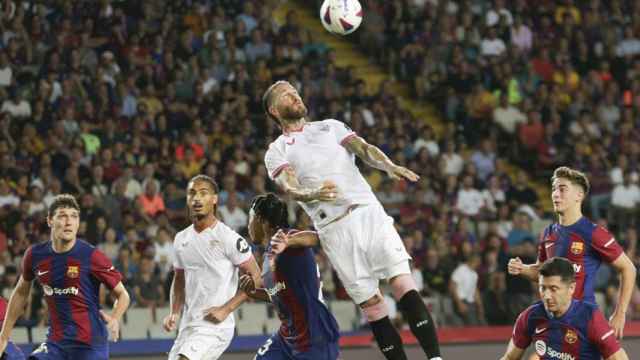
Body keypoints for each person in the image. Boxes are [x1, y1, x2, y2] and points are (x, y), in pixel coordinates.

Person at [262, 80, 441, 360]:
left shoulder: (330, 126)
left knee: (402, 283)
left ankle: (436, 358)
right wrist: (313, 193)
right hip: (334, 230)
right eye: (287, 95)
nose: (295, 96)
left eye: (296, 91)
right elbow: (289, 185)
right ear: (274, 110)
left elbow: (364, 148)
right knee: (373, 305)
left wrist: (389, 166)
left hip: (368, 212)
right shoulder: (277, 150)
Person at [508, 167, 636, 338]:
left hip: (584, 324)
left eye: (562, 189)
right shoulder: (548, 233)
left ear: (579, 196)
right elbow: (542, 272)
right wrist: (522, 269)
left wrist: (620, 313)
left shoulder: (593, 233)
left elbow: (628, 268)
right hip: (553, 321)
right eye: (554, 189)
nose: (555, 194)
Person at [0, 194, 130, 360]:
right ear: (50, 221)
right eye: (62, 216)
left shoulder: (91, 256)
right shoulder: (35, 255)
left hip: (90, 345)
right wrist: (3, 336)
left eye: (74, 216)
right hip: (56, 343)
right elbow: (20, 293)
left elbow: (123, 294)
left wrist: (114, 318)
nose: (69, 221)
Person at [162, 175, 261, 360]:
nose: (197, 198)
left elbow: (256, 276)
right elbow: (179, 279)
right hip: (188, 325)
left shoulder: (228, 238)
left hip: (216, 327)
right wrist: (174, 312)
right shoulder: (181, 239)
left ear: (214, 199)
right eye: (192, 193)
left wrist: (226, 309)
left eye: (203, 193)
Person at [239, 193, 340, 359]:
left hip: (314, 337)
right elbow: (280, 295)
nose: (248, 225)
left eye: (250, 219)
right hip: (288, 337)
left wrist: (289, 241)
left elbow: (319, 237)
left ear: (260, 220)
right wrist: (253, 292)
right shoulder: (268, 255)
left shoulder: (286, 238)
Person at [500, 257, 629, 360]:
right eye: (542, 288)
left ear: (571, 288)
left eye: (553, 289)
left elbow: (618, 357)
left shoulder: (590, 317)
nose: (547, 296)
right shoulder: (530, 317)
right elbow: (510, 357)